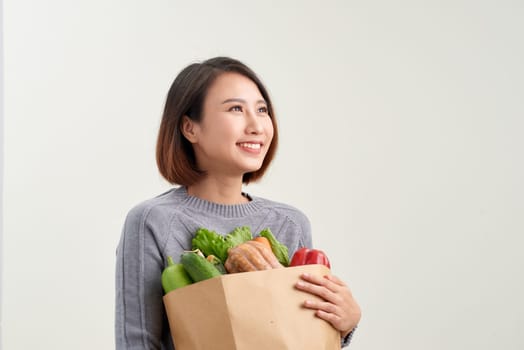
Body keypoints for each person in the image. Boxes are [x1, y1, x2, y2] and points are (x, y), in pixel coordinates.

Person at [115, 56, 361, 349]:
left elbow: (299, 336)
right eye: (235, 109)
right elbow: (137, 342)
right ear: (190, 128)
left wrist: (344, 325)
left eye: (262, 110)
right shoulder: (152, 221)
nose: (257, 125)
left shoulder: (289, 223)